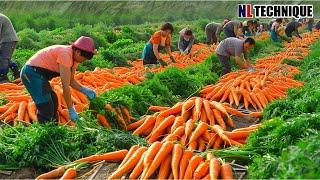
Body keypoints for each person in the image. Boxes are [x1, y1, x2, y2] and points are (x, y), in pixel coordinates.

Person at [20, 36, 97, 123]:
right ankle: (46, 131)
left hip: (39, 75)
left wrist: (85, 90)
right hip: (31, 73)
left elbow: (70, 80)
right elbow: (65, 86)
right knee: (46, 105)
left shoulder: (75, 59)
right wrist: (71, 110)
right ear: (78, 52)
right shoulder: (65, 55)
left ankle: (54, 128)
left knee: (54, 100)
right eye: (84, 58)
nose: (84, 61)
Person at [0, 13, 20, 83]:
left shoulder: (0, 17)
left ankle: (3, 77)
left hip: (8, 40)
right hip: (5, 40)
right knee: (6, 58)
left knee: (3, 58)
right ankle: (17, 74)